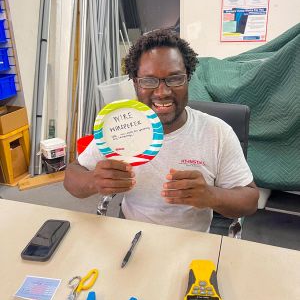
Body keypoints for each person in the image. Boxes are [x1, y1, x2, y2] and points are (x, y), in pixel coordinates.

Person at [64, 29, 259, 232]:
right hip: (132, 237)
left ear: (188, 78)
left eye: (175, 79)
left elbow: (250, 200)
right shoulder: (120, 128)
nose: (162, 92)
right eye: (149, 81)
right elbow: (72, 175)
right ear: (135, 83)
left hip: (192, 243)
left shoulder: (216, 132)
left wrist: (211, 195)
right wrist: (92, 181)